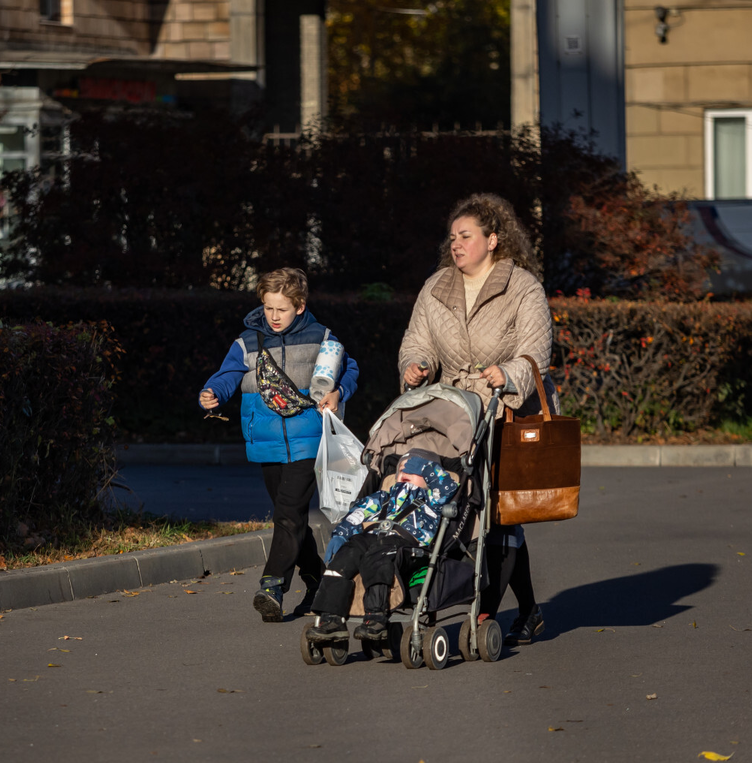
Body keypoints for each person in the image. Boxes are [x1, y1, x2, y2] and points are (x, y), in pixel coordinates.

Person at [398, 193, 558, 646]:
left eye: (465, 236)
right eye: (452, 238)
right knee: (465, 511)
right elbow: (418, 341)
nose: (456, 244)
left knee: (501, 516)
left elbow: (536, 352)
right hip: (455, 416)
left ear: (492, 240)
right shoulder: (436, 288)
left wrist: (507, 374)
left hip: (507, 413)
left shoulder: (522, 286)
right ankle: (526, 610)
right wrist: (415, 365)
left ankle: (485, 609)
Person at [199, 268, 360, 622]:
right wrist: (213, 393)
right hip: (266, 442)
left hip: (308, 440)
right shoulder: (248, 341)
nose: (273, 316)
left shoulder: (322, 337)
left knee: (287, 514)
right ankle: (318, 582)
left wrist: (339, 391)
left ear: (300, 306)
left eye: (282, 309)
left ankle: (271, 586)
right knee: (293, 520)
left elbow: (350, 370)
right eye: (268, 308)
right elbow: (228, 375)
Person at [305, 449, 458, 643]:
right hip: (373, 536)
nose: (404, 473)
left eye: (413, 470)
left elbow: (448, 488)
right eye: (401, 469)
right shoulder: (383, 497)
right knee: (346, 555)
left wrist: (427, 468)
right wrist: (341, 535)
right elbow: (358, 512)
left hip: (407, 543)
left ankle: (375, 616)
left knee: (378, 557)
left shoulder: (432, 498)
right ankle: (331, 618)